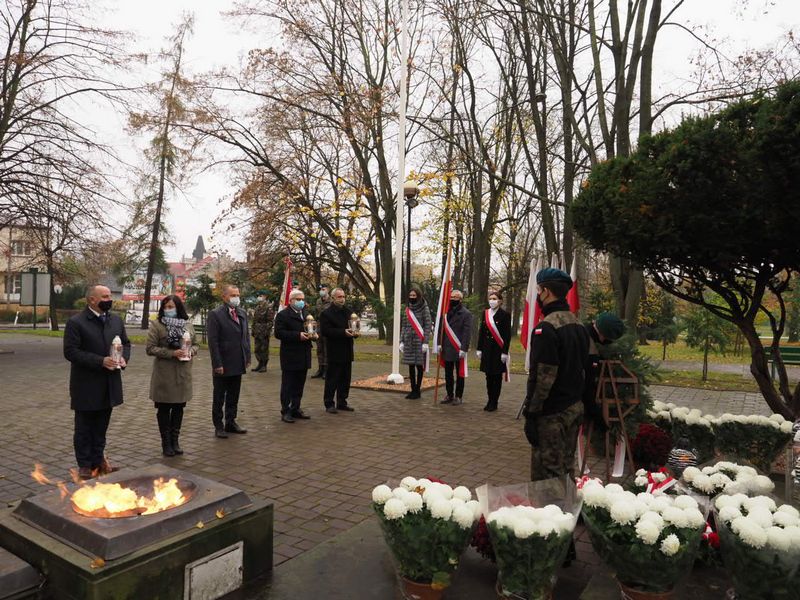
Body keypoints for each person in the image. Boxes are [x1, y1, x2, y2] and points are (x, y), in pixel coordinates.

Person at [522, 267, 590, 482]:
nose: (537, 295)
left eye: (538, 290)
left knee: (547, 473)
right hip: (574, 407)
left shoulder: (546, 328)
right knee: (567, 467)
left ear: (546, 292)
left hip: (552, 414)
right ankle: (567, 503)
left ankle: (552, 505)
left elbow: (544, 376)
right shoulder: (578, 325)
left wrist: (531, 413)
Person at [63, 285, 131, 480]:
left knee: (101, 427)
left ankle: (98, 461)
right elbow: (71, 352)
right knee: (84, 428)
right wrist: (100, 361)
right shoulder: (76, 322)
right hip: (86, 384)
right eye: (105, 296)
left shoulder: (115, 320)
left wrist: (124, 358)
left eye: (109, 296)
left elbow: (126, 343)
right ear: (92, 300)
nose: (109, 299)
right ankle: (85, 465)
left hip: (109, 383)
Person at [146, 295, 197, 457]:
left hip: (182, 374)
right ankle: (166, 442)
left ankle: (175, 441)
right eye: (166, 307)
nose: (168, 310)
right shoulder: (157, 325)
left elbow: (196, 344)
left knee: (178, 408)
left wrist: (191, 351)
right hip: (164, 375)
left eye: (171, 307)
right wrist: (171, 353)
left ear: (179, 308)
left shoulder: (187, 324)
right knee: (164, 408)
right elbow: (150, 348)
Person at [207, 285, 251, 438]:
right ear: (224, 297)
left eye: (238, 295)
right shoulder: (216, 314)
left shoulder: (242, 313)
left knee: (234, 395)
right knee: (219, 396)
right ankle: (218, 426)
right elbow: (213, 342)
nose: (236, 298)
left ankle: (231, 422)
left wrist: (247, 357)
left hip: (238, 361)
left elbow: (246, 337)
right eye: (233, 295)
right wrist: (217, 364)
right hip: (223, 362)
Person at [274, 288, 314, 423]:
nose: (301, 302)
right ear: (291, 301)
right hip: (290, 354)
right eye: (298, 299)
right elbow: (279, 333)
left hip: (304, 353)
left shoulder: (306, 313)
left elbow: (312, 328)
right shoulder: (283, 315)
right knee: (288, 385)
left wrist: (314, 334)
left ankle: (296, 408)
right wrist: (297, 335)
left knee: (299, 384)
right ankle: (285, 411)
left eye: (302, 299)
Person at [582, 312, 626, 432]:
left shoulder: (583, 332)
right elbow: (586, 385)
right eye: (607, 339)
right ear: (602, 334)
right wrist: (597, 416)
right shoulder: (588, 347)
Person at [320, 288, 359, 413]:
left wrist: (355, 332)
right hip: (334, 350)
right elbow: (326, 331)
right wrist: (343, 332)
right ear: (333, 298)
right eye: (339, 297)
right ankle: (329, 403)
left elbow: (354, 327)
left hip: (347, 349)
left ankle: (342, 402)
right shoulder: (326, 313)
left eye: (343, 297)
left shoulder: (349, 312)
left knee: (345, 379)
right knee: (332, 379)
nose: (342, 299)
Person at [476, 291, 511, 412]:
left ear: (500, 301)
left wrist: (505, 352)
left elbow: (507, 335)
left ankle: (494, 402)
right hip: (486, 349)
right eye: (490, 298)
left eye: (494, 299)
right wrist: (479, 348)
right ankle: (489, 399)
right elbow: (482, 332)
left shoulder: (505, 315)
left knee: (496, 377)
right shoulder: (485, 313)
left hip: (498, 350)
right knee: (488, 376)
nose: (492, 301)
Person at [439, 289, 472, 405]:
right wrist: (439, 343)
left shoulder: (466, 314)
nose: (453, 299)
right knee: (448, 373)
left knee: (459, 374)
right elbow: (441, 329)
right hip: (447, 347)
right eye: (451, 297)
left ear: (461, 299)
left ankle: (458, 396)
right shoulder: (445, 312)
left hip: (458, 348)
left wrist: (464, 348)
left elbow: (467, 333)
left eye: (456, 297)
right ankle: (449, 394)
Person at [400, 284, 432, 399]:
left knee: (419, 366)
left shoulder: (424, 308)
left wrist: (426, 342)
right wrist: (401, 341)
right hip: (409, 341)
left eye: (414, 295)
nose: (412, 297)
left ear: (418, 296)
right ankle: (412, 389)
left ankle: (417, 390)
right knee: (411, 366)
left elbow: (427, 325)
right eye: (410, 295)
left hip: (420, 341)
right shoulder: (407, 309)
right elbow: (404, 325)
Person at [251, 291, 275, 373]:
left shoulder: (268, 307)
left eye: (261, 295)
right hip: (257, 332)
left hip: (264, 332)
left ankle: (264, 365)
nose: (259, 297)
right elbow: (254, 320)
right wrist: (253, 330)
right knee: (257, 349)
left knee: (264, 349)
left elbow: (270, 322)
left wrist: (265, 331)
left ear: (265, 296)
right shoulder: (257, 307)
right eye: (258, 296)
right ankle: (259, 364)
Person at [311, 284, 332, 379]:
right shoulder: (318, 301)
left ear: (328, 290)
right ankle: (320, 369)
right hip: (319, 327)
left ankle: (327, 370)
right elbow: (316, 315)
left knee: (327, 349)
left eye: (323, 289)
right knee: (319, 349)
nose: (321, 291)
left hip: (327, 327)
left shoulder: (332, 301)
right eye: (320, 290)